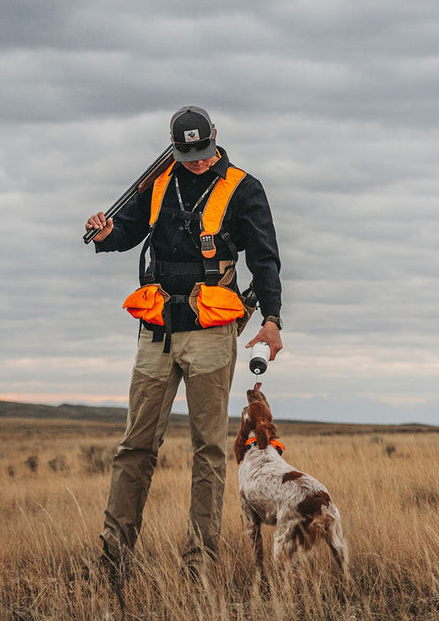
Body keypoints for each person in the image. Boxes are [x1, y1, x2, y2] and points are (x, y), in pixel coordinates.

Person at [84, 106, 283, 585]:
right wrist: (109, 234)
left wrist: (273, 319)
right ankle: (113, 561)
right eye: (187, 153)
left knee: (209, 451)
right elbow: (129, 232)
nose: (196, 161)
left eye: (203, 151)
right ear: (174, 147)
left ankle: (199, 569)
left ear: (215, 137)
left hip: (213, 333)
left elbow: (265, 258)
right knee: (135, 446)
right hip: (157, 329)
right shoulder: (156, 181)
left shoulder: (244, 187)